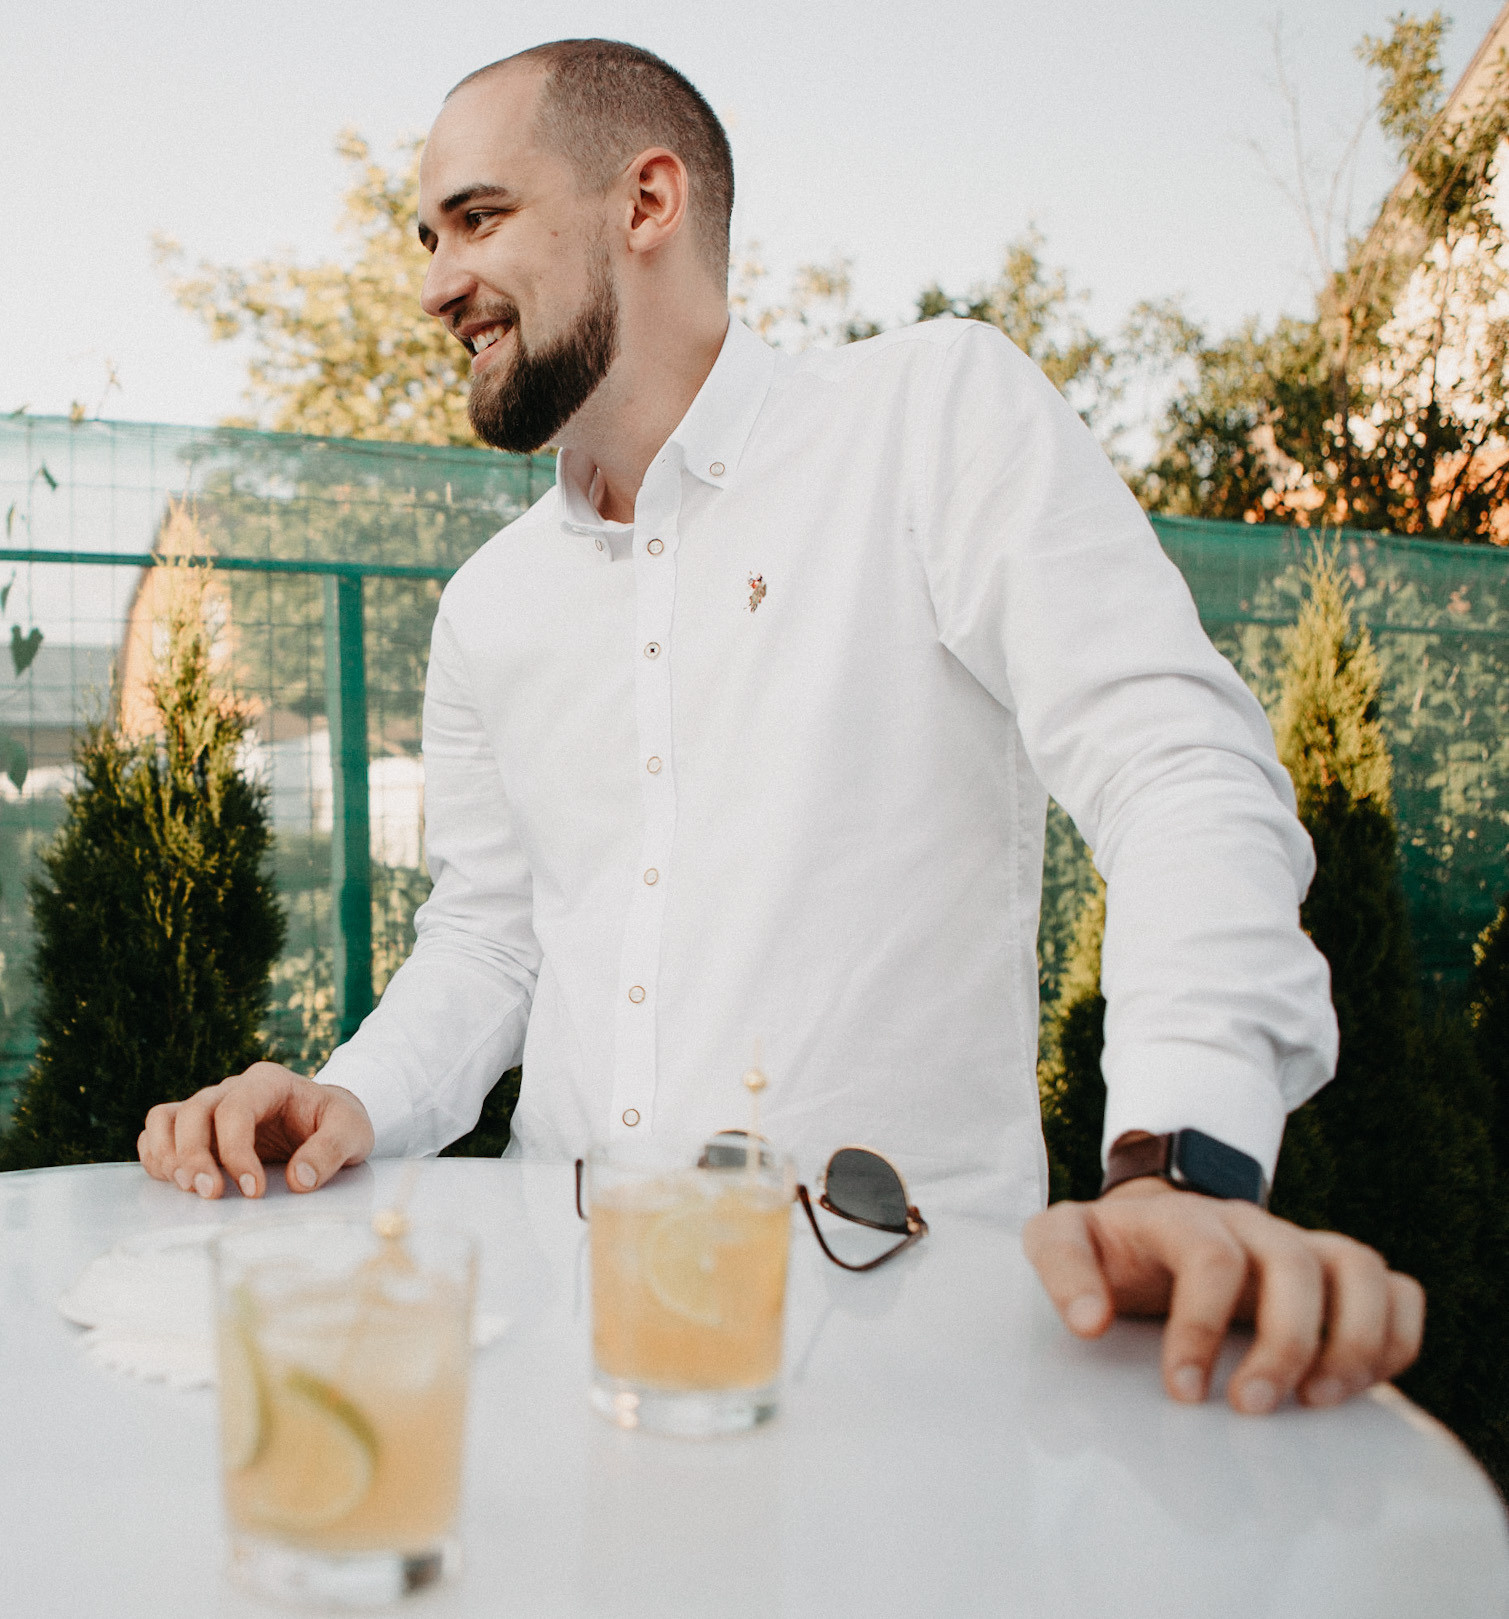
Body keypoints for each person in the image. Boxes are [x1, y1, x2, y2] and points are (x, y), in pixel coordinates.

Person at [139, 40, 1425, 1418]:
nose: (435, 282)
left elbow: (1176, 768)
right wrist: (353, 1096)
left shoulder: (930, 415)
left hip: (907, 1351)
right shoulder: (488, 606)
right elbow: (493, 930)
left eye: (479, 217)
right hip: (555, 1338)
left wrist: (1183, 1165)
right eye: (427, 235)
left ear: (646, 202)